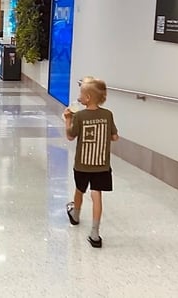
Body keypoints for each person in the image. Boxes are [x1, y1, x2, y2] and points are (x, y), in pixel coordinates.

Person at [63, 77, 119, 248]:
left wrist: (67, 120)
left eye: (81, 92)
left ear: (87, 98)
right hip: (101, 165)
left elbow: (71, 136)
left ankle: (76, 214)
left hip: (82, 164)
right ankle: (95, 233)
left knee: (79, 190)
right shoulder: (108, 115)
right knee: (97, 196)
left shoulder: (79, 116)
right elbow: (115, 137)